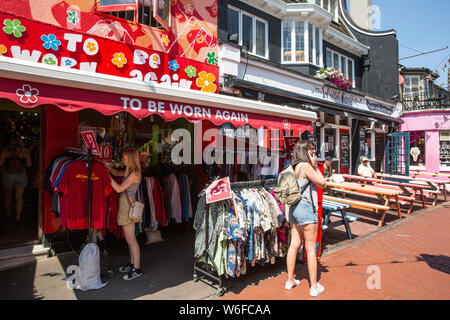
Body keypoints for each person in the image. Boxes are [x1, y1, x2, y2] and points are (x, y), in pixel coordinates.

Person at [285, 141, 327, 297]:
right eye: (311, 150)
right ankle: (314, 286)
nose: (314, 152)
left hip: (294, 209)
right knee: (310, 248)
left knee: (294, 245)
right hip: (306, 210)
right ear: (305, 151)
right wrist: (315, 165)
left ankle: (290, 280)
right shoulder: (306, 166)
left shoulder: (292, 166)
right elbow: (322, 183)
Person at [106, 148, 143, 280]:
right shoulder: (130, 171)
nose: (123, 159)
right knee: (128, 238)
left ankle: (137, 268)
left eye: (125, 157)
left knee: (131, 238)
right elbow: (116, 172)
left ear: (130, 158)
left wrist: (107, 177)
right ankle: (133, 264)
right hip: (126, 203)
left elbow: (119, 188)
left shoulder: (134, 174)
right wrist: (106, 167)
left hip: (128, 204)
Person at [0, 134, 32, 224]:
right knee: (19, 197)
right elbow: (29, 165)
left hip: (8, 174)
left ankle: (8, 215)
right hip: (21, 174)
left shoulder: (5, 151)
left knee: (8, 196)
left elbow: (1, 164)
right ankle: (18, 217)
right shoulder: (25, 152)